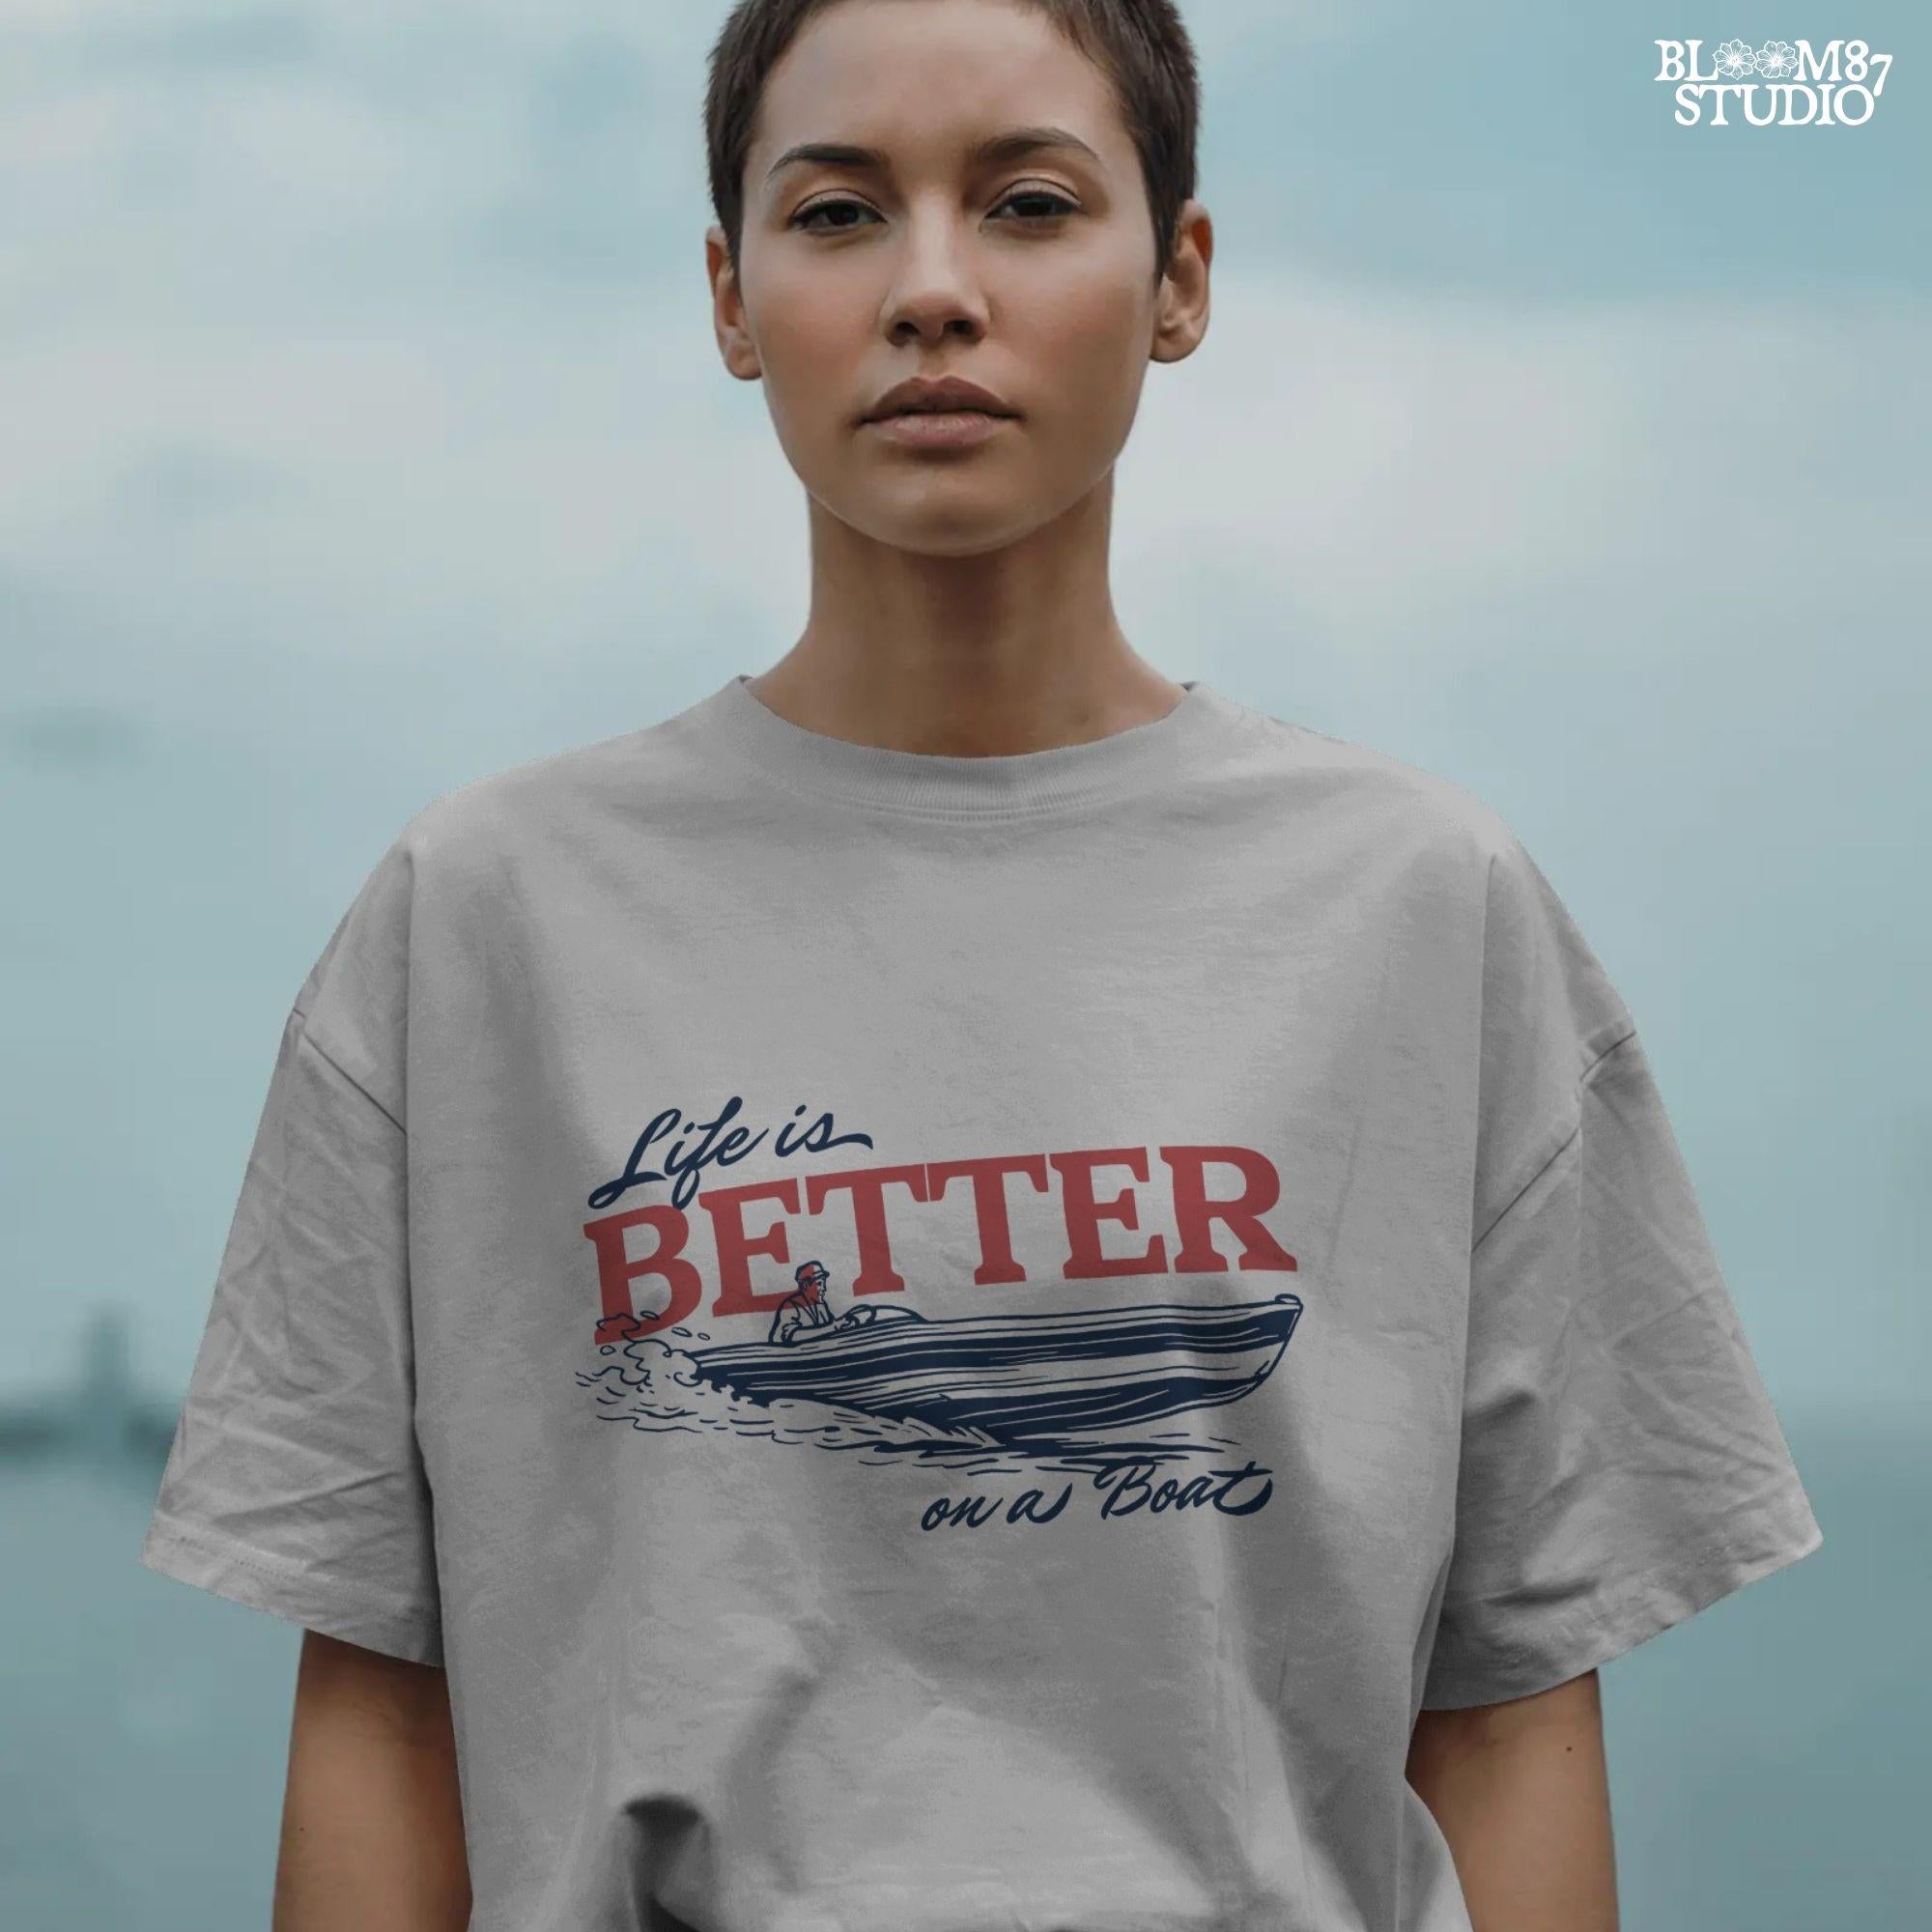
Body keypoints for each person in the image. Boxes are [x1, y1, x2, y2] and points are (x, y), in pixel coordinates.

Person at [137, 1, 1824, 1927]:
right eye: (839, 213)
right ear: (729, 295)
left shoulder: (1425, 913)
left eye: (1027, 203)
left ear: (1178, 276)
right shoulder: (476, 923)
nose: (932, 291)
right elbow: (384, 1706)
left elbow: (1510, 1706)